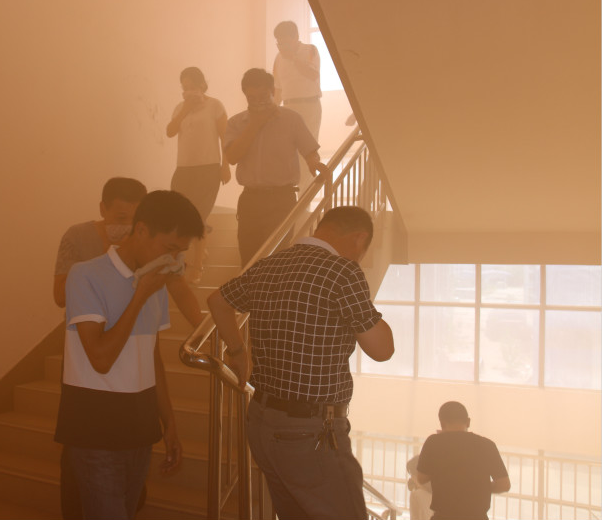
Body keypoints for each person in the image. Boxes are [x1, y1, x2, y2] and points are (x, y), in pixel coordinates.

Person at [207, 206, 395, 520]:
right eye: (363, 251)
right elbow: (382, 349)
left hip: (262, 423)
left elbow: (217, 301)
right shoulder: (343, 271)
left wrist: (238, 352)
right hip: (310, 433)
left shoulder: (269, 264)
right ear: (359, 238)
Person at [52, 179, 203, 519]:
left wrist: (169, 422)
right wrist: (140, 294)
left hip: (140, 426)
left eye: (179, 252)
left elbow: (153, 359)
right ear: (142, 230)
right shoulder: (85, 276)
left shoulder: (155, 279)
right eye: (169, 248)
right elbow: (101, 358)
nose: (173, 259)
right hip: (94, 430)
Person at [53, 177, 203, 323]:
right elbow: (60, 297)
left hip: (141, 328)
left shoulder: (151, 245)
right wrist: (111, 259)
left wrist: (202, 329)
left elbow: (179, 289)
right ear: (103, 209)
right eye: (121, 218)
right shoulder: (78, 236)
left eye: (135, 219)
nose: (130, 226)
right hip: (88, 326)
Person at [224, 68, 326, 267]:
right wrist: (255, 124)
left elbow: (309, 150)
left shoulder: (291, 119)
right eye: (252, 98)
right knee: (249, 260)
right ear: (245, 95)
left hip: (282, 199)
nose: (258, 102)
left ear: (272, 91)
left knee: (277, 261)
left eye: (263, 96)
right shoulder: (236, 123)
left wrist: (314, 163)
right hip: (250, 200)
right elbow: (232, 157)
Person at [166, 67, 229, 282]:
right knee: (180, 215)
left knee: (199, 216)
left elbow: (225, 137)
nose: (188, 91)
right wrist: (185, 109)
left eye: (192, 87)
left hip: (208, 168)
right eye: (184, 88)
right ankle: (196, 250)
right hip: (183, 169)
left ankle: (198, 265)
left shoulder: (215, 106)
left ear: (202, 85)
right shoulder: (180, 108)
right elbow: (170, 132)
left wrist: (225, 166)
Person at [415, 401, 510, 520]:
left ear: (442, 423)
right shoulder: (487, 445)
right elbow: (504, 485)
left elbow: (421, 478)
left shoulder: (433, 442)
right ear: (468, 421)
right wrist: (479, 487)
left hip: (444, 516)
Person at [272, 21, 323, 193]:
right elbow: (278, 89)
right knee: (288, 153)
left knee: (307, 152)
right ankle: (293, 196)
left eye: (285, 42)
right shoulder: (278, 58)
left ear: (296, 37)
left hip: (309, 105)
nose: (281, 47)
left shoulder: (310, 50)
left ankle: (305, 199)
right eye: (279, 43)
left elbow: (313, 74)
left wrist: (293, 57)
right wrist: (271, 112)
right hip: (287, 108)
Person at [407, 455, 434, 520]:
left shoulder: (416, 495)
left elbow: (414, 518)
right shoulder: (439, 492)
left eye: (412, 474)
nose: (411, 478)